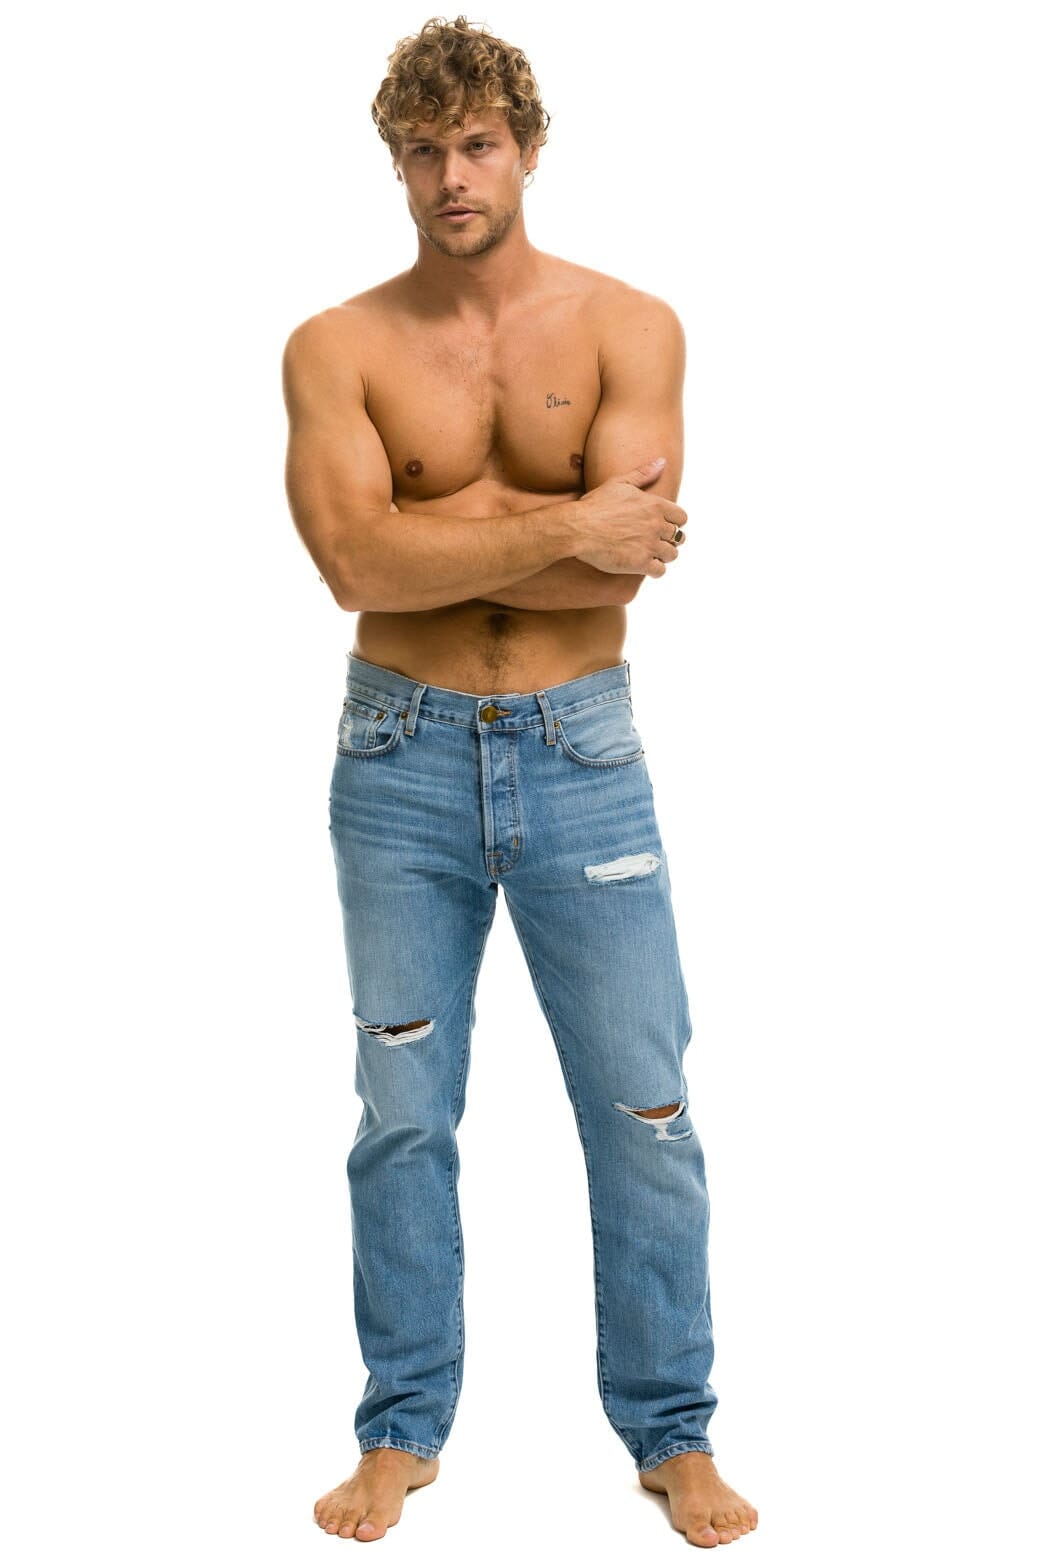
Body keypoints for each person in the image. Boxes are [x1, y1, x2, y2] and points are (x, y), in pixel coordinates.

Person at [281, 15, 758, 1548]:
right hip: (396, 755)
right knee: (402, 1110)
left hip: (582, 750)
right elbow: (355, 563)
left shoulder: (630, 325)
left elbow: (635, 562)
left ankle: (672, 1432)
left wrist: (442, 542)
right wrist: (564, 528)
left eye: (477, 143)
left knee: (645, 1106)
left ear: (529, 149)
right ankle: (401, 1428)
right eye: (423, 150)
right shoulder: (337, 348)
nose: (451, 175)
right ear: (395, 163)